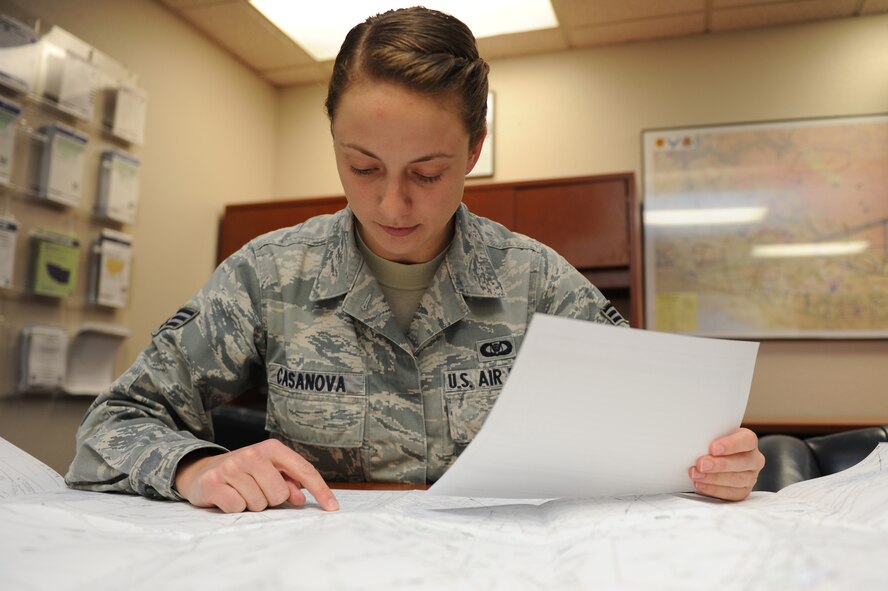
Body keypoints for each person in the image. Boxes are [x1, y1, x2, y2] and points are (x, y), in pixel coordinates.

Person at [66, 7, 764, 513]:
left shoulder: (538, 281)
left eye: (427, 173)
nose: (392, 203)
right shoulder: (267, 276)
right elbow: (112, 425)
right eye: (362, 165)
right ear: (335, 136)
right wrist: (192, 465)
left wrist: (716, 465)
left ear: (474, 151)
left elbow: (655, 430)